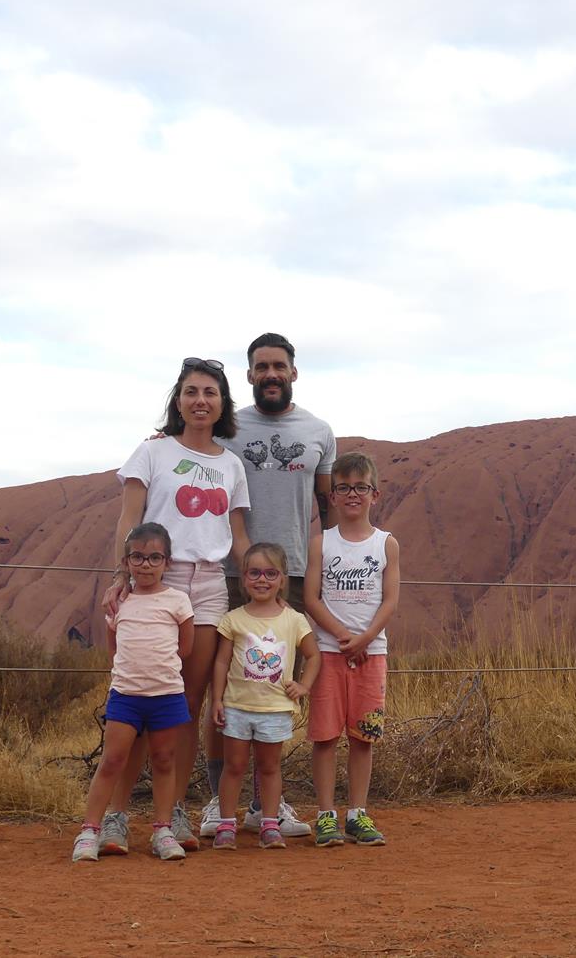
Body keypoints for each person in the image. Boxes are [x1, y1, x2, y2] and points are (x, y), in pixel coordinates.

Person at [97, 358, 250, 855]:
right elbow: (130, 516)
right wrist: (121, 575)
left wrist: (264, 584)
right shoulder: (152, 452)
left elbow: (239, 536)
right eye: (191, 391)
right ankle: (117, 816)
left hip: (208, 584)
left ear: (222, 402)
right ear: (178, 400)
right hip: (156, 580)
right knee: (142, 692)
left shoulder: (231, 464)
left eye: (210, 392)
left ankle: (173, 811)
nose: (200, 400)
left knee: (186, 702)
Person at [200, 332, 336, 841]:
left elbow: (324, 505)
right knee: (230, 686)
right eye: (262, 367)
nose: (271, 374)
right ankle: (220, 801)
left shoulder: (319, 430)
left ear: (294, 372)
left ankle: (267, 804)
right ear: (250, 375)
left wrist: (326, 569)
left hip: (295, 574)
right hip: (234, 572)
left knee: (278, 687)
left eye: (280, 366)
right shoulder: (228, 427)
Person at [72, 522, 193, 862]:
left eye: (155, 557)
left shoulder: (178, 601)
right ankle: (90, 830)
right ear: (125, 563)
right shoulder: (120, 603)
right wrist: (132, 672)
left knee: (165, 760)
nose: (145, 565)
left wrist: (158, 670)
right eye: (137, 557)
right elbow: (113, 648)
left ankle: (162, 829)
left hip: (167, 694)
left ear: (167, 563)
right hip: (125, 695)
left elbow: (185, 648)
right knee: (112, 760)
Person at [304, 451, 400, 847]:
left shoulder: (386, 544)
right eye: (343, 488)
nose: (352, 495)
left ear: (374, 494)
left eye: (360, 487)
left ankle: (358, 814)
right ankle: (326, 815)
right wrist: (345, 638)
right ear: (332, 496)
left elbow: (390, 600)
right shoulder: (320, 543)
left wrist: (363, 640)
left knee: (364, 736)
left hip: (371, 653)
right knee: (325, 737)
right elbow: (311, 598)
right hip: (328, 653)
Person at [208, 542, 320, 850]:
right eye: (255, 572)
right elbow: (221, 661)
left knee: (269, 767)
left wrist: (303, 686)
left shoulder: (294, 619)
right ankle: (226, 824)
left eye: (271, 573)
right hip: (237, 707)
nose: (262, 580)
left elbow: (313, 656)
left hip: (274, 708)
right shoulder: (234, 619)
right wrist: (217, 699)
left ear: (283, 579)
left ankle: (270, 823)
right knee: (234, 766)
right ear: (243, 578)